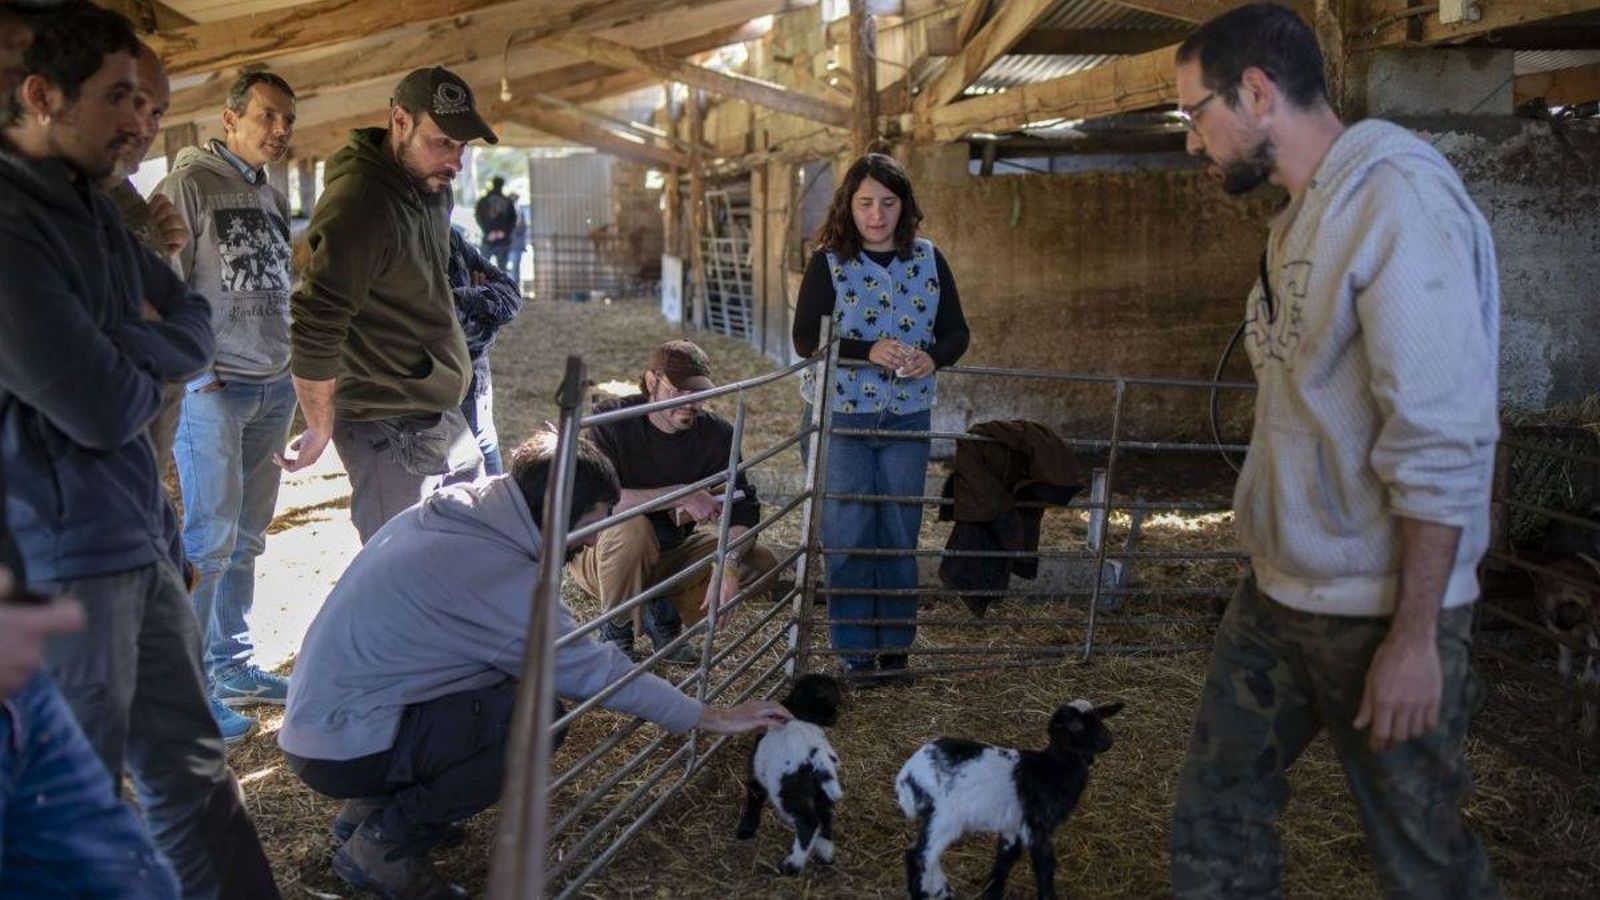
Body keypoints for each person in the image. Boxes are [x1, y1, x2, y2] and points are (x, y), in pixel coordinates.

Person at [1168, 6, 1502, 898]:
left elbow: (1443, 438)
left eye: (1195, 115)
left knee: (1421, 861)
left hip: (1381, 607)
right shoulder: (1295, 224)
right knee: (1213, 819)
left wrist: (1417, 638)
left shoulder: (1400, 202)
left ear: (1257, 92)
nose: (1194, 144)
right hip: (1279, 591)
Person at [0, 3, 280, 896]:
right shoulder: (10, 228)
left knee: (191, 765)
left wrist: (127, 342)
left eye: (153, 109)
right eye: (122, 98)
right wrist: (143, 349)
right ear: (41, 93)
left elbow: (192, 322)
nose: (141, 125)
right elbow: (98, 402)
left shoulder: (99, 207)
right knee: (75, 794)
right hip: (59, 553)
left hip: (134, 527)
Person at [279, 435, 790, 899]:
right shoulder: (493, 570)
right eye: (591, 524)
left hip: (333, 722)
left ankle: (370, 811)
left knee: (509, 686)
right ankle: (384, 843)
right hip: (346, 743)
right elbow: (595, 671)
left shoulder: (472, 512)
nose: (594, 541)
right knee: (538, 717)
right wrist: (709, 716)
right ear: (554, 514)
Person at [282, 66, 493, 543]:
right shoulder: (359, 203)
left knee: (465, 548)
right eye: (442, 142)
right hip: (386, 423)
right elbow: (316, 319)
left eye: (462, 147)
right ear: (400, 122)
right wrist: (318, 424)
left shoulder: (430, 186)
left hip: (434, 409)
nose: (455, 161)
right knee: (400, 567)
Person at [154, 70, 298, 743]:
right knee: (209, 541)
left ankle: (233, 664)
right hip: (216, 387)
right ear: (230, 118)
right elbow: (163, 285)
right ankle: (186, 691)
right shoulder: (189, 183)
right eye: (267, 117)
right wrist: (198, 376)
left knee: (245, 538)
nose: (279, 131)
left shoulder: (268, 193)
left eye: (286, 121)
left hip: (272, 382)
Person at [791, 153, 970, 687]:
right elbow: (805, 339)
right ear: (849, 205)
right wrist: (866, 350)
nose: (876, 214)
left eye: (887, 203)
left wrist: (933, 356)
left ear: (904, 206)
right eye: (865, 202)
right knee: (847, 534)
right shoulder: (829, 262)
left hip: (905, 419)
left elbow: (957, 332)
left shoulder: (930, 260)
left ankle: (894, 650)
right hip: (842, 418)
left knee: (896, 532)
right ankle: (853, 653)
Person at [568, 340, 780, 662]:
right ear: (651, 382)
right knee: (632, 530)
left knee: (760, 563)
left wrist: (730, 566)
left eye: (697, 392)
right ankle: (616, 630)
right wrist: (680, 494)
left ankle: (661, 609)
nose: (690, 402)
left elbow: (744, 510)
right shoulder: (612, 422)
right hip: (601, 554)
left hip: (670, 553)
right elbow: (598, 501)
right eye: (678, 391)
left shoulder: (716, 436)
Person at [102, 42, 188, 491]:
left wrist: (161, 247)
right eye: (131, 102)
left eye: (156, 113)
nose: (144, 126)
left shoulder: (120, 188)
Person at [447, 225, 522, 475]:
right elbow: (433, 323)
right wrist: (482, 306)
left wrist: (465, 298)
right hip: (428, 400)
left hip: (474, 389)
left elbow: (511, 294)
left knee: (489, 483)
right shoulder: (395, 243)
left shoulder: (451, 238)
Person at [474, 173, 516, 272]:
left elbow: (478, 217)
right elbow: (513, 219)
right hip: (503, 239)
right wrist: (504, 232)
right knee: (502, 269)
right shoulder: (507, 201)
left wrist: (488, 232)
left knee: (482, 268)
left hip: (488, 237)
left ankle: (484, 287)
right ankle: (502, 287)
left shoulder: (483, 200)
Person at [507, 191, 527, 281]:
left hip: (515, 245)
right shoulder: (507, 212)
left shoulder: (519, 211)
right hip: (509, 245)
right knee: (508, 269)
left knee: (515, 269)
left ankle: (515, 288)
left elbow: (522, 228)